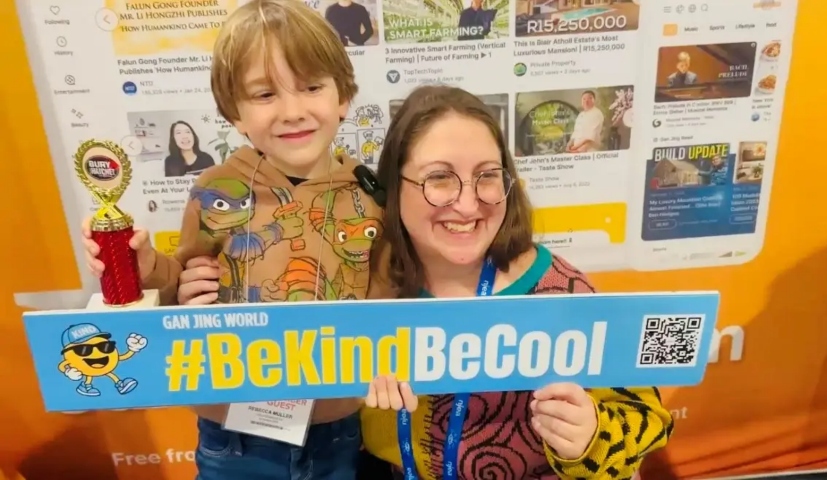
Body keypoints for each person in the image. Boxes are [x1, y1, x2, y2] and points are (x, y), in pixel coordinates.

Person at [177, 86, 673, 479]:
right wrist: (202, 289)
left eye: (487, 175)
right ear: (395, 188)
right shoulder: (366, 283)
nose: (467, 202)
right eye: (439, 177)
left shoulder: (561, 294)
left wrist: (591, 437)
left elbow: (646, 419)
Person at [79, 1, 383, 478]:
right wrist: (144, 269)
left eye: (311, 87)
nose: (292, 110)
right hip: (233, 432)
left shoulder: (372, 197)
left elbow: (389, 300)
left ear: (343, 96)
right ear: (234, 113)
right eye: (264, 94)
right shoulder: (218, 189)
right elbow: (183, 277)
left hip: (335, 428)